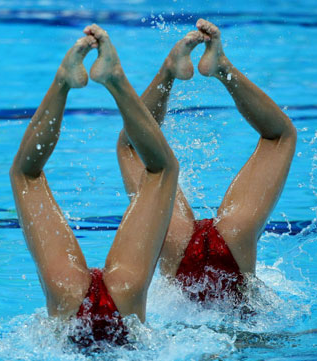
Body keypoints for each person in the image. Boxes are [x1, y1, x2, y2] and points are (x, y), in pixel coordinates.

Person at [10, 24, 181, 347]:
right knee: (26, 175)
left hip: (123, 298)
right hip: (72, 296)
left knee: (162, 171)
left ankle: (102, 79)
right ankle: (79, 80)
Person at [117, 19, 297, 304]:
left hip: (178, 251)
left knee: (132, 148)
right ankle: (222, 68)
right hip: (233, 243)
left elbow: (134, 143)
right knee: (279, 137)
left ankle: (168, 72)